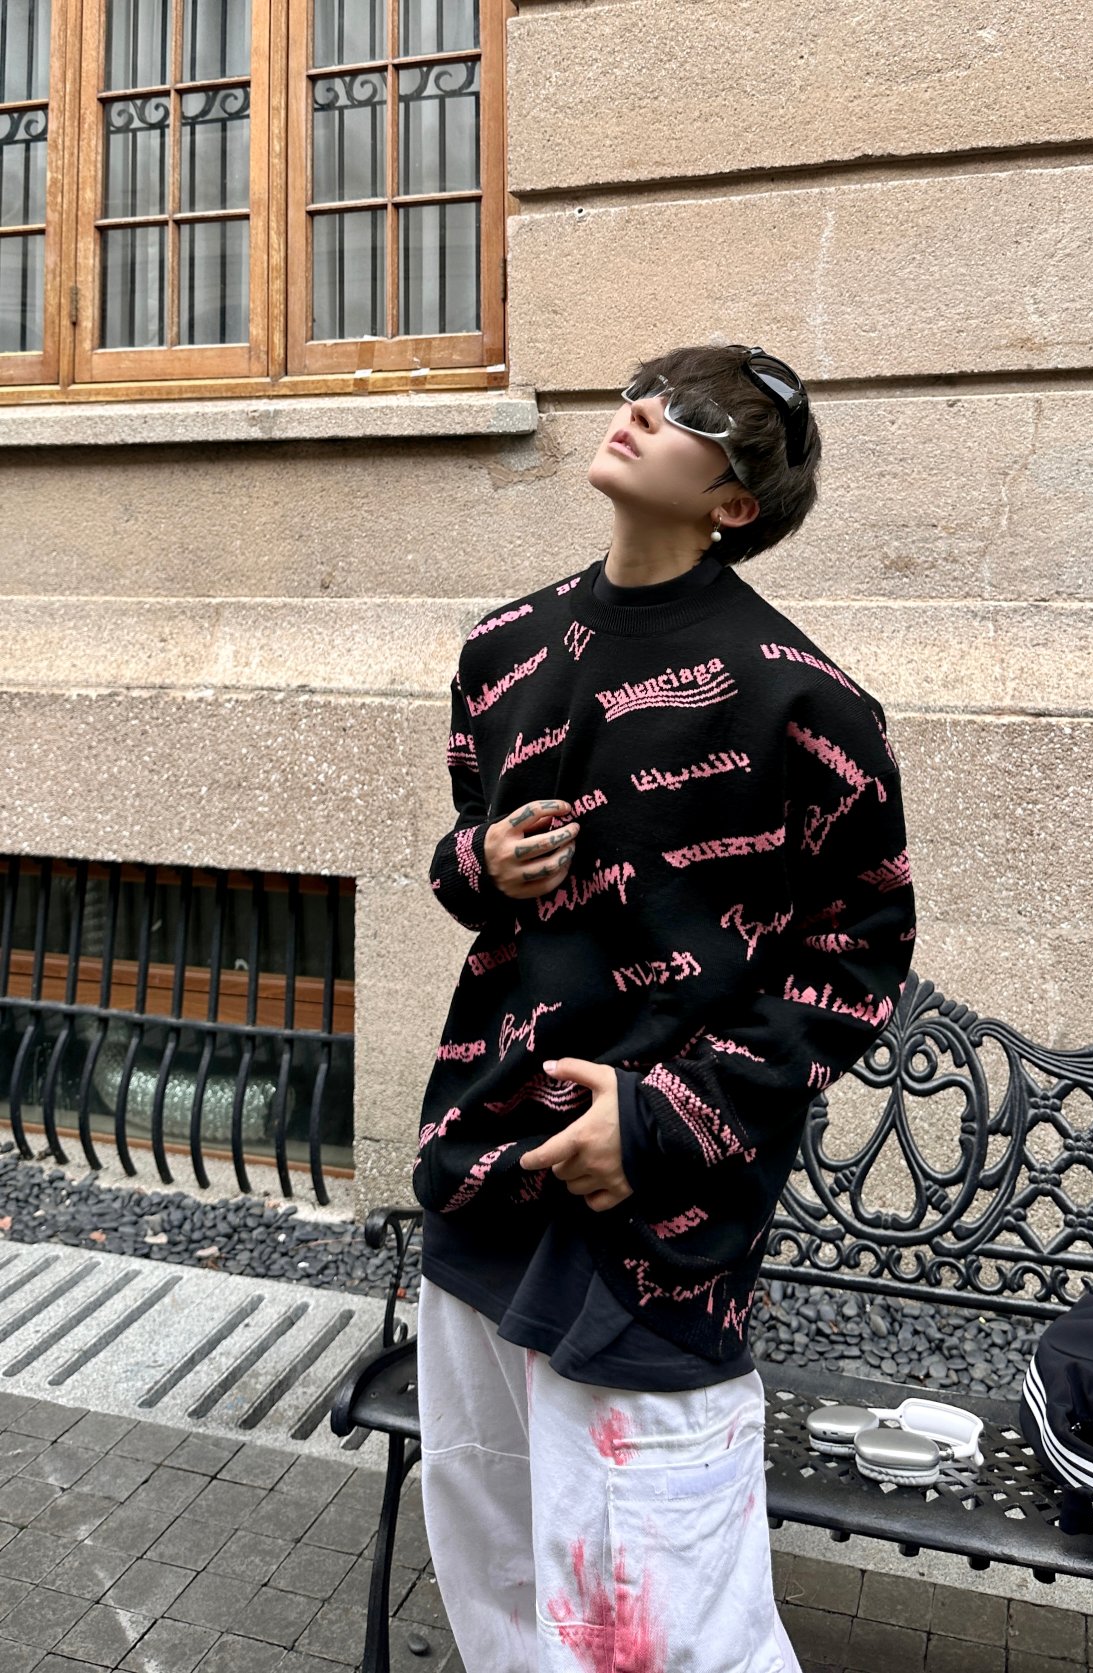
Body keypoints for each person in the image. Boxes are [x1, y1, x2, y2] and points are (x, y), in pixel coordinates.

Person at [413, 340, 917, 1671]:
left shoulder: (805, 701)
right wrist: (482, 863)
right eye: (647, 388)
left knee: (661, 1623)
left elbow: (856, 957)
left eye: (695, 417)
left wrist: (662, 1121)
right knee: (499, 1575)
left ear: (734, 504)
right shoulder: (502, 649)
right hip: (488, 1167)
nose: (641, 411)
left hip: (656, 1221)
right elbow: (464, 860)